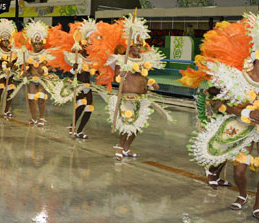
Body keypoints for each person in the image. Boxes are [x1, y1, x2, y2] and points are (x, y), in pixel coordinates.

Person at [179, 13, 259, 216]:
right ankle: (242, 194)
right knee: (240, 169)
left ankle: (258, 205)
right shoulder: (238, 78)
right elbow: (224, 104)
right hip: (242, 127)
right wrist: (247, 111)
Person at [88, 15, 166, 160]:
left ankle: (126, 148)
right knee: (127, 125)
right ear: (130, 45)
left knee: (137, 126)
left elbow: (143, 77)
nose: (139, 49)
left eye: (140, 46)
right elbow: (117, 75)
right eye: (136, 46)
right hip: (127, 97)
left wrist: (151, 83)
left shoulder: (143, 60)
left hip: (142, 97)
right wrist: (122, 72)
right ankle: (119, 146)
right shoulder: (121, 59)